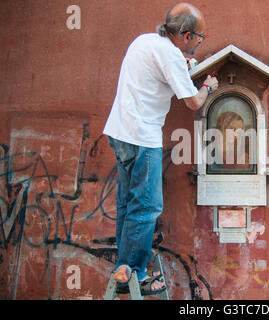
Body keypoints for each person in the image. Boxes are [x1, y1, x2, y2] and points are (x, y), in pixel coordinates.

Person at [102, 2, 218, 295]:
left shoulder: (145, 41)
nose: (198, 43)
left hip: (119, 132)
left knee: (128, 203)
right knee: (148, 206)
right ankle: (135, 273)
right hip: (143, 139)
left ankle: (123, 266)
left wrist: (184, 65)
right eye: (199, 38)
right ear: (187, 35)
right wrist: (209, 87)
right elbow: (192, 101)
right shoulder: (171, 56)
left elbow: (161, 71)